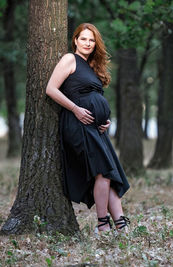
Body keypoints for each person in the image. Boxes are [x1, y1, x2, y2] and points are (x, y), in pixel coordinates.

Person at [46, 23, 130, 233]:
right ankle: (102, 224)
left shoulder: (91, 67)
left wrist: (105, 119)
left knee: (110, 172)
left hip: (96, 128)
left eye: (91, 40)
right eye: (83, 39)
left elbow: (96, 97)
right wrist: (75, 109)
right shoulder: (69, 59)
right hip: (78, 123)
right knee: (103, 172)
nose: (88, 43)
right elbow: (51, 89)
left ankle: (121, 224)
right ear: (75, 40)